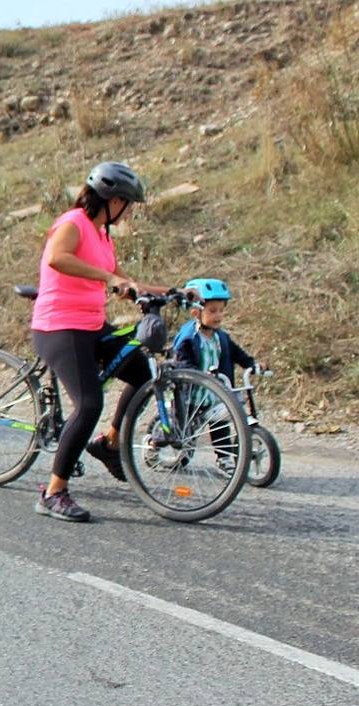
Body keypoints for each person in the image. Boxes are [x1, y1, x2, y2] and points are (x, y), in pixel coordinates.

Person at [30, 161, 167, 522]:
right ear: (112, 199)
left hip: (91, 325)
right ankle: (53, 492)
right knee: (89, 403)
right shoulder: (73, 222)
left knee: (141, 372)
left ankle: (108, 442)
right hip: (59, 326)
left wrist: (172, 291)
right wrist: (107, 277)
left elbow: (125, 280)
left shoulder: (103, 234)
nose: (130, 211)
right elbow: (58, 258)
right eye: (128, 203)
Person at [173, 278, 259, 474]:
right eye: (212, 311)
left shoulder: (221, 337)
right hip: (191, 395)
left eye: (221, 310)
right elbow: (181, 362)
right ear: (196, 312)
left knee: (221, 423)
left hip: (214, 393)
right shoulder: (188, 336)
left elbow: (237, 353)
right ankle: (156, 445)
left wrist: (252, 364)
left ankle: (224, 458)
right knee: (184, 433)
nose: (218, 315)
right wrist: (194, 373)